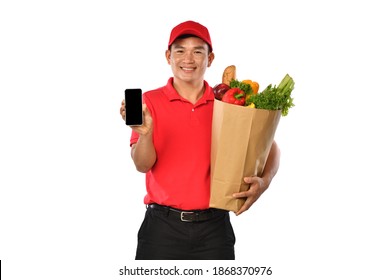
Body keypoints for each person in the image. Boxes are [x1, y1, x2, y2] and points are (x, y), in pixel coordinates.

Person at [119, 20, 281, 260]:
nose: (188, 59)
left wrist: (265, 181)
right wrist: (146, 133)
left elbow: (270, 146)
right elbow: (142, 165)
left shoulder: (226, 104)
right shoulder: (149, 102)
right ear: (168, 56)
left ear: (210, 58)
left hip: (214, 229)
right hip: (161, 229)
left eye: (197, 51)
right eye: (180, 51)